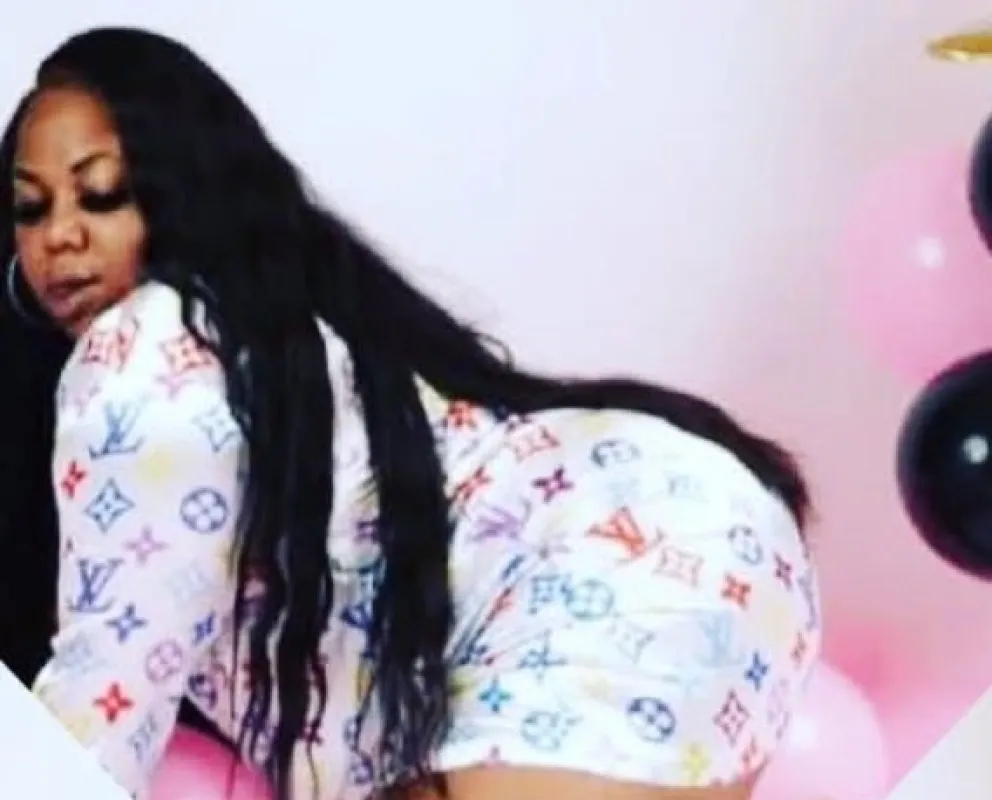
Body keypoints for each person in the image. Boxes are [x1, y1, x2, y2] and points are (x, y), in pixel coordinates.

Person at [1, 26, 820, 800]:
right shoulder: (278, 323)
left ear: (185, 194)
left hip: (610, 582)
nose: (58, 236)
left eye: (101, 195)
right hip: (704, 547)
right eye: (30, 209)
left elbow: (112, 684)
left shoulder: (139, 352)